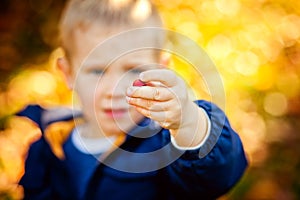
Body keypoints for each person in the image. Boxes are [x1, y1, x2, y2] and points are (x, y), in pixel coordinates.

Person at [18, 0, 248, 199]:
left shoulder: (164, 148)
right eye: (97, 72)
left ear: (162, 69)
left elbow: (216, 177)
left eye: (133, 70)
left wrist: (189, 124)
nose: (114, 90)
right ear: (68, 74)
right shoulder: (49, 145)